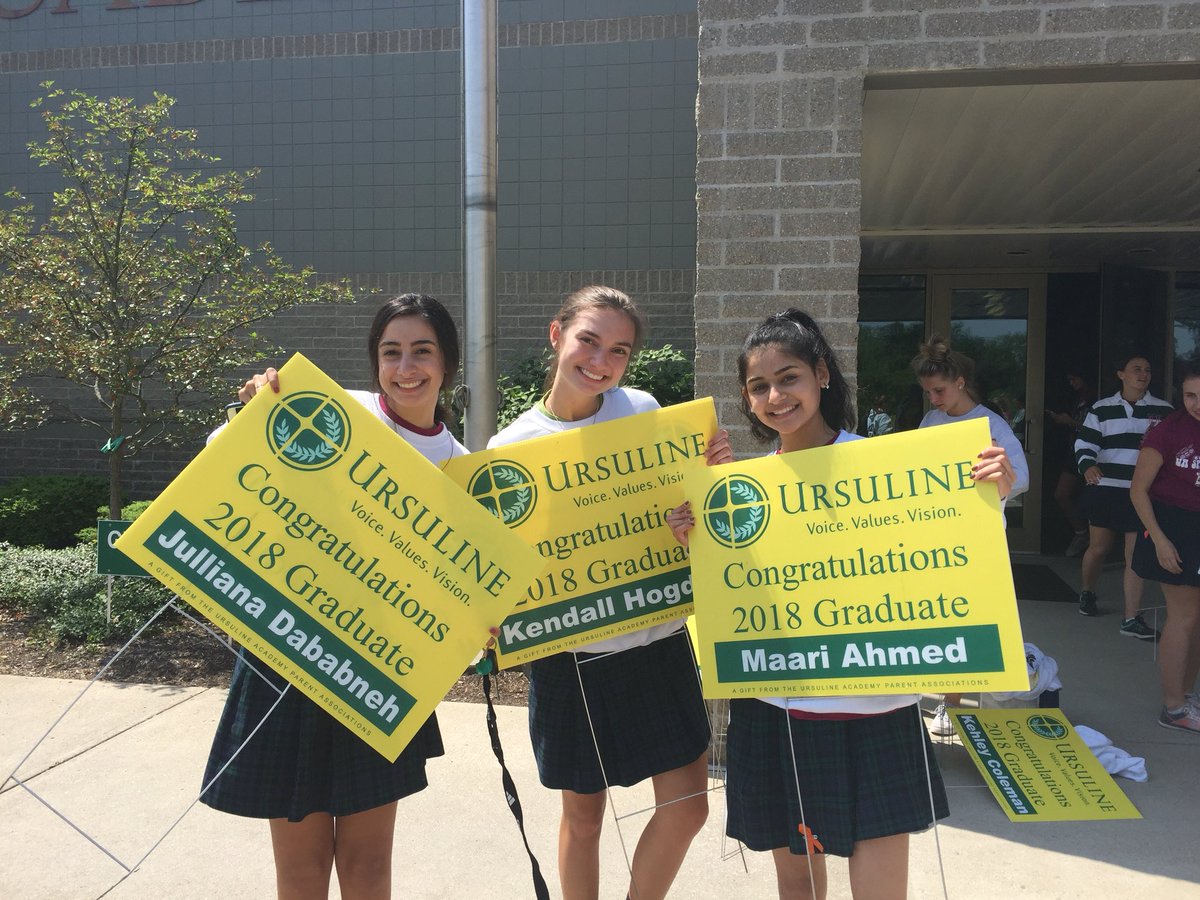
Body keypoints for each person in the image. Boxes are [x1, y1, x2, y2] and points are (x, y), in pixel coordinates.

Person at [667, 310, 1017, 900]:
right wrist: (695, 537)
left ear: (822, 375)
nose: (776, 396)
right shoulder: (741, 494)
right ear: (748, 399)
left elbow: (949, 554)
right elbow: (726, 597)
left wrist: (989, 493)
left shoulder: (893, 467)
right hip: (774, 712)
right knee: (796, 886)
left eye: (790, 377)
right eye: (759, 386)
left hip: (873, 711)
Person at [200, 294, 469, 899]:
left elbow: (459, 593)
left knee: (370, 867)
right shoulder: (333, 413)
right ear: (375, 361)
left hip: (380, 675)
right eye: (390, 352)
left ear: (447, 363)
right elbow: (223, 458)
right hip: (289, 659)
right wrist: (255, 411)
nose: (406, 367)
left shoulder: (460, 469)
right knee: (300, 869)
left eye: (422, 352)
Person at [488, 285, 728, 900]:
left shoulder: (645, 410)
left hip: (658, 640)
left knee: (689, 807)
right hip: (573, 658)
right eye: (588, 340)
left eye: (618, 350)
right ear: (556, 335)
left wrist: (705, 485)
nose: (601, 360)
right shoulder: (509, 450)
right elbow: (500, 568)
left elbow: (684, 519)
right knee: (584, 818)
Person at [910, 336, 1029, 737]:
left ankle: (954, 704)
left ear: (960, 382)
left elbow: (1022, 478)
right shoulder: (930, 422)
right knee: (939, 620)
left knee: (970, 623)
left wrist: (991, 478)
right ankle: (937, 698)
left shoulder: (991, 424)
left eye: (939, 390)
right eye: (927, 392)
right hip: (937, 537)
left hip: (980, 539)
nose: (933, 399)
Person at [1074, 354, 1173, 634]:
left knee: (1135, 555)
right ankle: (1087, 591)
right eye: (1136, 369)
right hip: (1106, 488)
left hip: (1142, 493)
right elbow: (1084, 442)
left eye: (1148, 370)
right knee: (1099, 548)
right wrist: (1087, 465)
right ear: (1121, 374)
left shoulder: (1164, 410)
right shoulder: (1101, 408)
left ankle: (1131, 618)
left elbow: (1172, 450)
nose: (1143, 374)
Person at [1129, 360, 1200, 734]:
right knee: (1184, 616)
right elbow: (1138, 489)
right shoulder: (1168, 430)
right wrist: (1159, 539)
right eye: (1190, 395)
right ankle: (1173, 708)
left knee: (1197, 619)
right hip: (1172, 526)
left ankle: (1185, 696)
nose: (1197, 403)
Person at [1046, 371, 1096, 557]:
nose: (1072, 383)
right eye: (1069, 379)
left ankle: (1096, 542)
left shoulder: (1097, 400)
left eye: (1075, 378)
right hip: (1074, 452)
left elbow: (1096, 431)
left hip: (1094, 454)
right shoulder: (1077, 398)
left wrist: (1070, 422)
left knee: (1092, 499)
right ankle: (1082, 533)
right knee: (1062, 494)